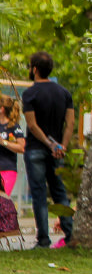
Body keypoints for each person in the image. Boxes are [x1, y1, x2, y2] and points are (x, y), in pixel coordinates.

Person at [23, 52, 76, 249]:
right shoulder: (64, 93)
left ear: (35, 69)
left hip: (36, 149)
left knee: (39, 194)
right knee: (60, 193)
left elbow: (32, 125)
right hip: (58, 151)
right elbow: (70, 124)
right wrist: (61, 146)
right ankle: (70, 235)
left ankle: (43, 239)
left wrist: (49, 144)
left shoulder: (30, 94)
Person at [0, 96, 26, 197]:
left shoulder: (13, 127)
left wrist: (4, 142)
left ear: (2, 109)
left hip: (7, 169)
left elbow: (21, 147)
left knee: (3, 200)